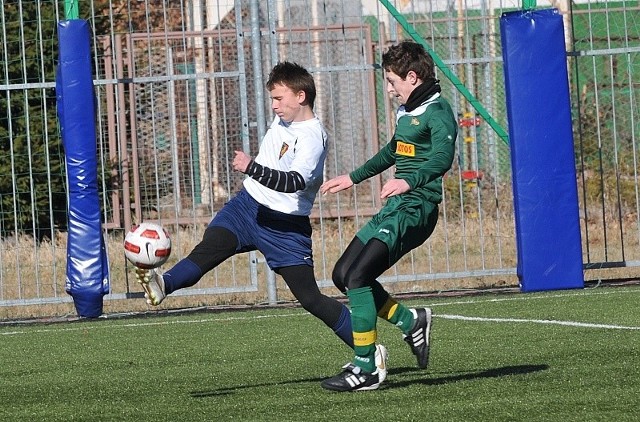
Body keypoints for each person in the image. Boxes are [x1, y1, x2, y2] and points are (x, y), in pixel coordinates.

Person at [134, 61, 388, 381]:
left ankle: (369, 349)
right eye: (272, 99)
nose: (274, 105)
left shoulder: (313, 137)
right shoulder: (284, 118)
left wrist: (251, 167)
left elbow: (294, 182)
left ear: (301, 96)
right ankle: (164, 284)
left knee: (310, 298)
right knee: (211, 246)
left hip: (284, 227)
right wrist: (252, 175)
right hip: (247, 206)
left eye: (279, 98)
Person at [319, 41, 458, 392]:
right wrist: (352, 177)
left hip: (417, 209)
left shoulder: (438, 112)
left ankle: (366, 366)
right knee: (342, 274)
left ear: (413, 77)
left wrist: (407, 181)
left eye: (393, 81)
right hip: (398, 207)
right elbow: (394, 151)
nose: (390, 89)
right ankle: (410, 320)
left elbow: (442, 159)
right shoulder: (409, 111)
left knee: (359, 278)